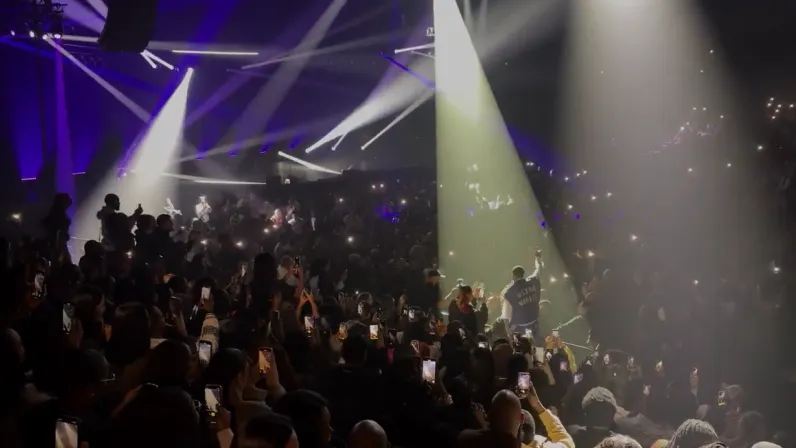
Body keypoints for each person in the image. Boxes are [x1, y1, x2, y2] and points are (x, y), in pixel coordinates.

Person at [457, 387, 574, 448]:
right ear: (521, 419)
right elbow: (565, 440)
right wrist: (538, 406)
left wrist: (483, 425)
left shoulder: (466, 439)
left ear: (488, 415)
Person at [502, 250, 543, 339]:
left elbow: (505, 315)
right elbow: (538, 271)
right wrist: (538, 260)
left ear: (513, 276)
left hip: (519, 328)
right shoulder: (532, 281)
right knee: (535, 343)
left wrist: (508, 329)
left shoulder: (509, 292)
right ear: (523, 274)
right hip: (534, 323)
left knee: (522, 345)